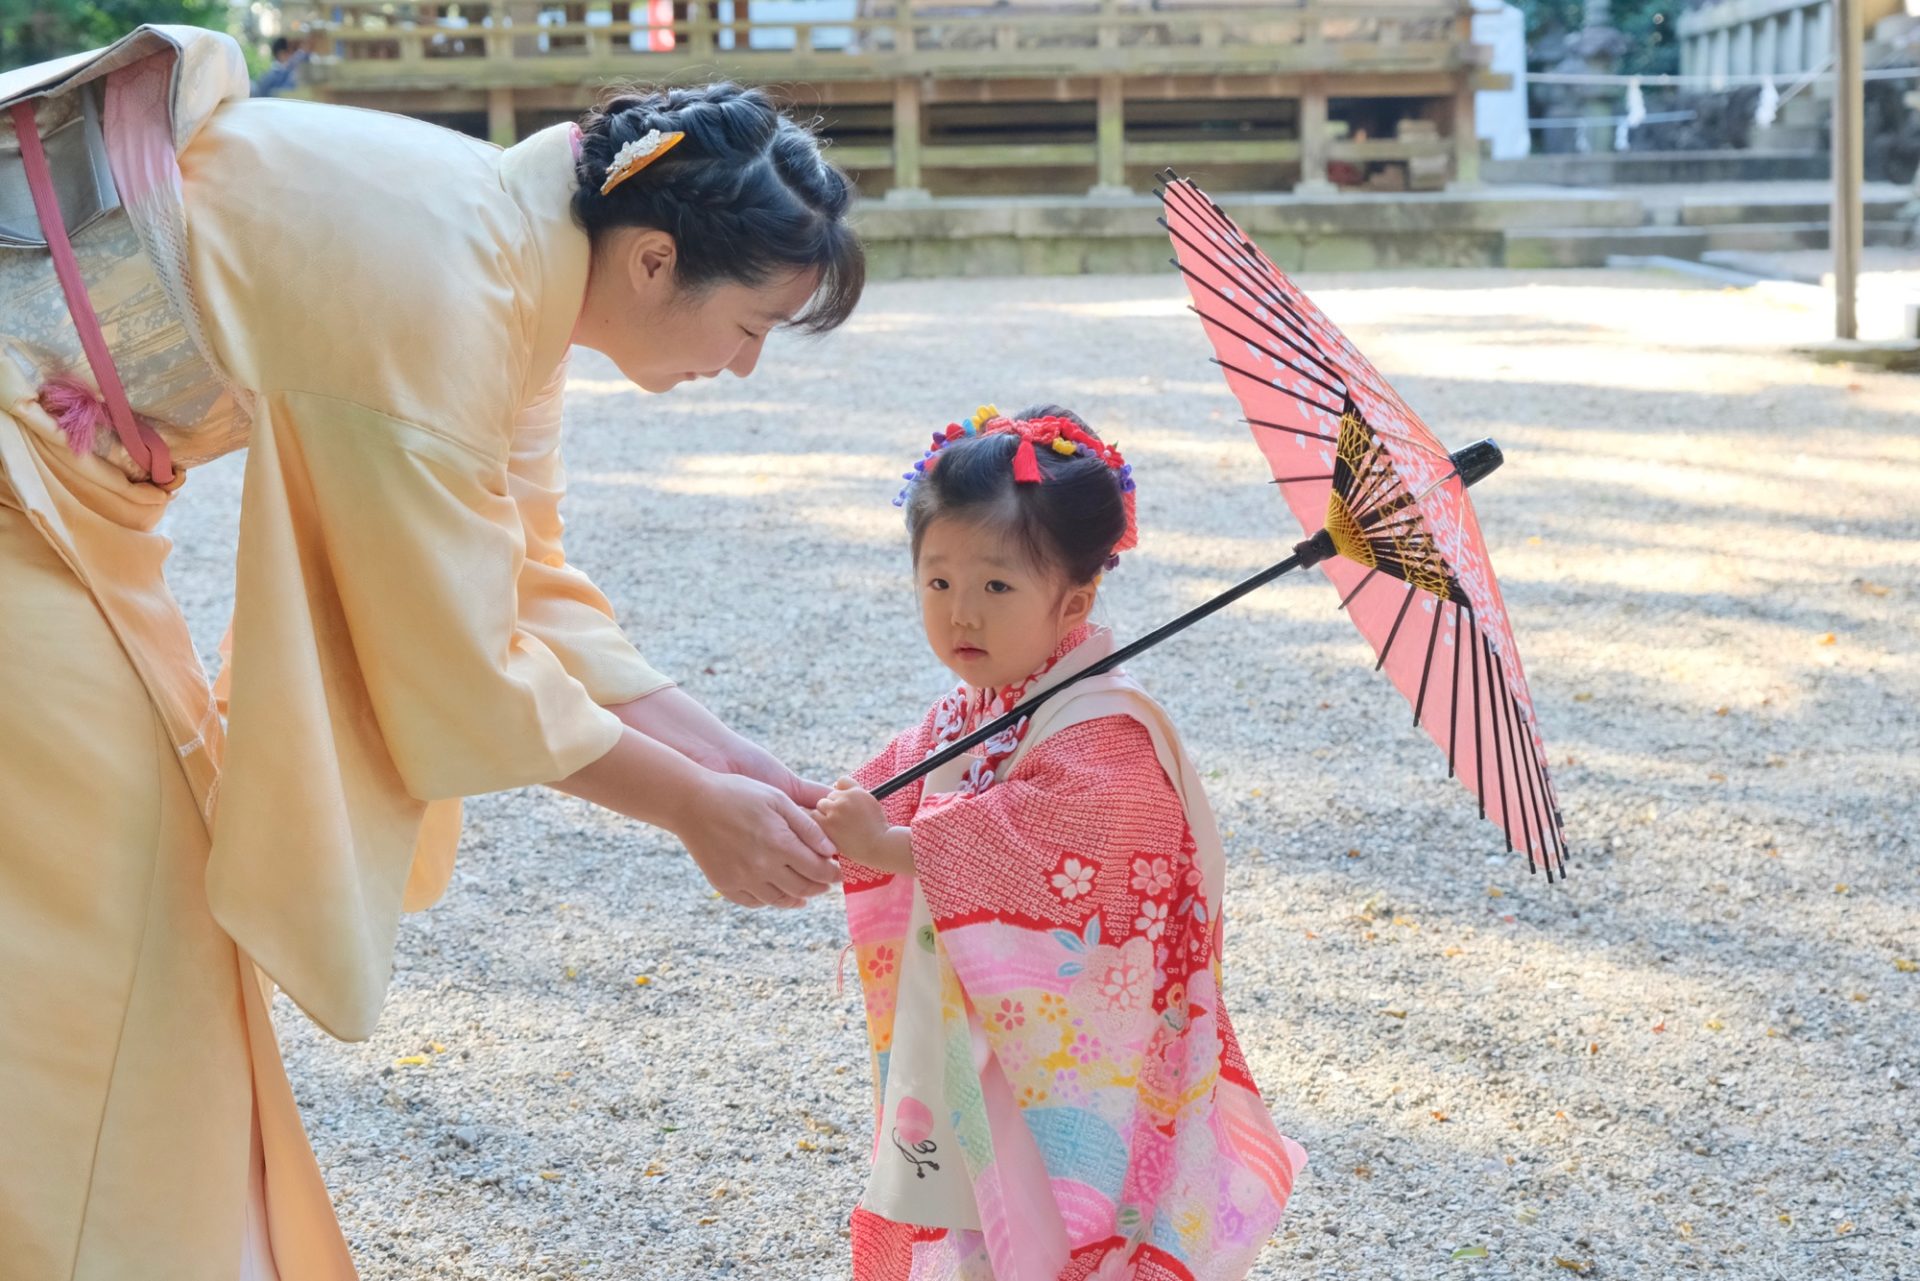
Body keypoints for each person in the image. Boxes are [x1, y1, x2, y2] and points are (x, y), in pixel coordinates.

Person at [1, 24, 860, 1280]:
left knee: (139, 892)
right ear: (657, 259)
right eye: (752, 325)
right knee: (123, 896)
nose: (742, 364)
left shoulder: (518, 260)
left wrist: (743, 767)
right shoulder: (457, 283)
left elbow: (530, 581)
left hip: (54, 504)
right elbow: (455, 667)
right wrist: (692, 811)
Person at [815, 406, 1307, 1281]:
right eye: (937, 582)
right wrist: (811, 814)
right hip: (991, 1026)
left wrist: (890, 847)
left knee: (1045, 1219)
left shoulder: (1105, 728)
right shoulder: (981, 703)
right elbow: (885, 785)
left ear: (1074, 600)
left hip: (1067, 1057)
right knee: (976, 1204)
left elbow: (1038, 838)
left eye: (996, 587)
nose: (961, 611)